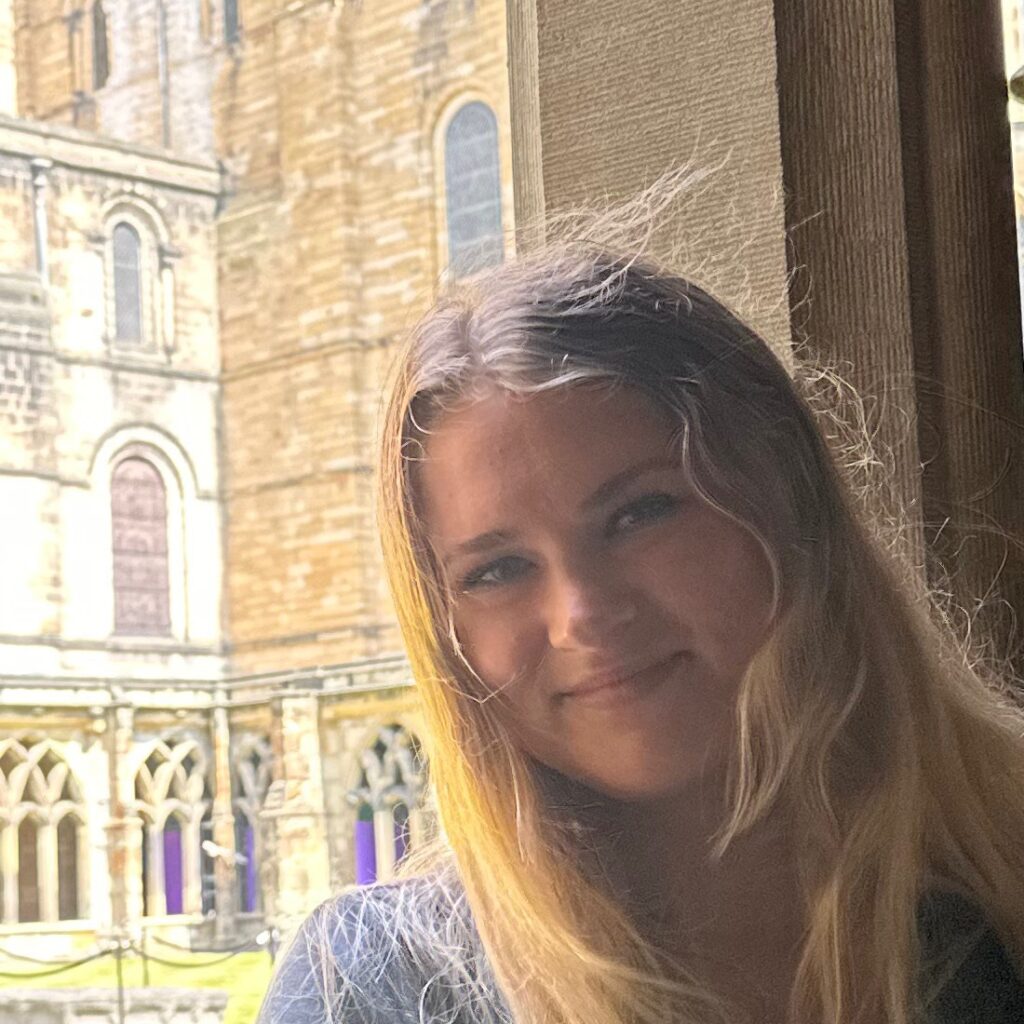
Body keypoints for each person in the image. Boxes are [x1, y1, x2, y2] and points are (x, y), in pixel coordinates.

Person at [257, 239, 1024, 1024]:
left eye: (639, 514)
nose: (582, 613)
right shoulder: (370, 991)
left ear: (788, 505)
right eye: (497, 570)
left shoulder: (1000, 910)